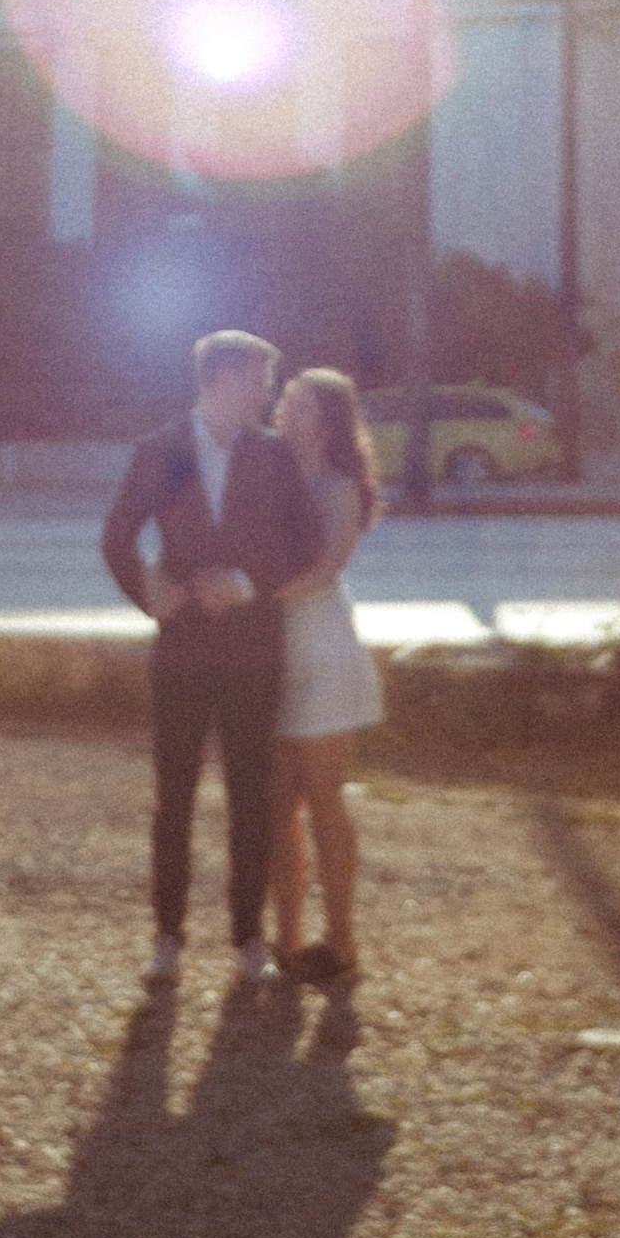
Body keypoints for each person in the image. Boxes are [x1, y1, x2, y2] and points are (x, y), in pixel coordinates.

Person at [100, 331, 323, 990]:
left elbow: (307, 542)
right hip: (183, 652)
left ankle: (248, 938)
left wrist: (248, 583)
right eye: (260, 380)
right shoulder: (163, 450)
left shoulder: (275, 456)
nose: (268, 395)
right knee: (174, 796)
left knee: (252, 797)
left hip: (254, 651)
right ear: (224, 378)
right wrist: (149, 589)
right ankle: (167, 936)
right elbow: (116, 537)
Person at [268, 367, 386, 986]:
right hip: (268, 654)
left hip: (322, 650)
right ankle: (286, 942)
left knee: (323, 799)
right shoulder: (266, 475)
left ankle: (341, 939)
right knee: (273, 807)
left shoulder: (339, 487)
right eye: (286, 400)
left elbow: (326, 569)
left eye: (303, 405)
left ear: (329, 421)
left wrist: (251, 591)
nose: (287, 411)